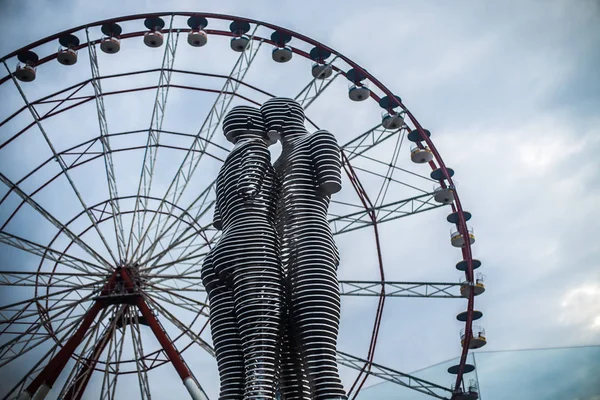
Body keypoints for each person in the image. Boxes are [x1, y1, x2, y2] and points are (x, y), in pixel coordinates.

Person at [260, 97, 346, 400]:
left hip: (311, 243)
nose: (265, 127)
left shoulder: (320, 140)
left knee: (319, 356)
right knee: (285, 366)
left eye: (268, 118)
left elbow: (329, 183)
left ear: (285, 116)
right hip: (276, 256)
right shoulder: (271, 165)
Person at [201, 105, 283, 399]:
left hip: (218, 253)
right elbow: (249, 186)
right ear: (252, 123)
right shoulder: (257, 151)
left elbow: (218, 218)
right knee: (260, 352)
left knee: (231, 369)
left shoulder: (224, 165)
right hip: (252, 240)